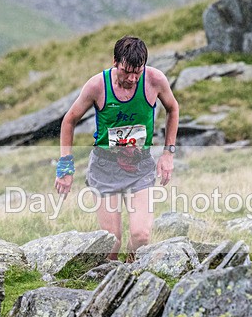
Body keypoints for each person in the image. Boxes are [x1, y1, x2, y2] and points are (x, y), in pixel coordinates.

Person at [55, 36, 179, 261]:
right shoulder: (97, 85)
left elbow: (173, 108)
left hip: (139, 166)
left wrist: (168, 153)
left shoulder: (154, 80)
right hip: (105, 167)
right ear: (115, 62)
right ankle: (110, 276)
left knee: (141, 236)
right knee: (112, 243)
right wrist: (65, 166)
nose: (132, 78)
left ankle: (131, 269)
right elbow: (69, 120)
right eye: (126, 71)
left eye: (137, 72)